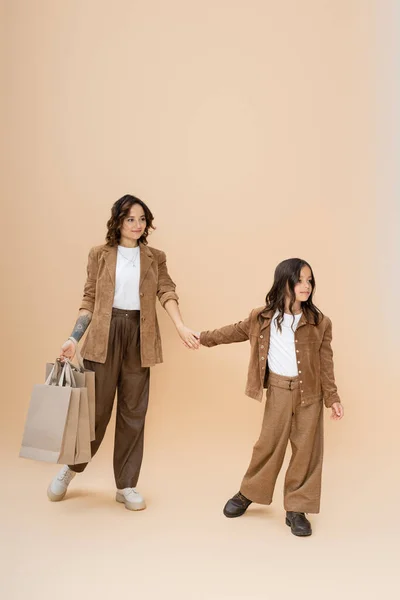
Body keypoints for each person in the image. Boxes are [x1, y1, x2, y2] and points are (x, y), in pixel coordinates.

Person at [47, 194, 199, 510]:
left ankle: (126, 485)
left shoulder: (155, 257)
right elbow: (89, 299)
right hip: (104, 335)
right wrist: (74, 339)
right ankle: (70, 469)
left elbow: (166, 292)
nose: (137, 224)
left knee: (133, 413)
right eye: (130, 218)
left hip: (139, 337)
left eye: (142, 219)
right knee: (93, 413)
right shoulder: (99, 255)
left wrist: (181, 327)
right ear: (118, 221)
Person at [199, 258, 344, 536]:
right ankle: (248, 492)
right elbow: (233, 331)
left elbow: (326, 363)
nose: (306, 286)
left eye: (310, 280)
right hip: (278, 389)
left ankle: (297, 509)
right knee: (268, 445)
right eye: (300, 280)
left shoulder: (319, 322)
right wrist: (202, 338)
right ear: (284, 282)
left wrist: (332, 398)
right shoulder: (262, 317)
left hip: (310, 395)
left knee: (307, 450)